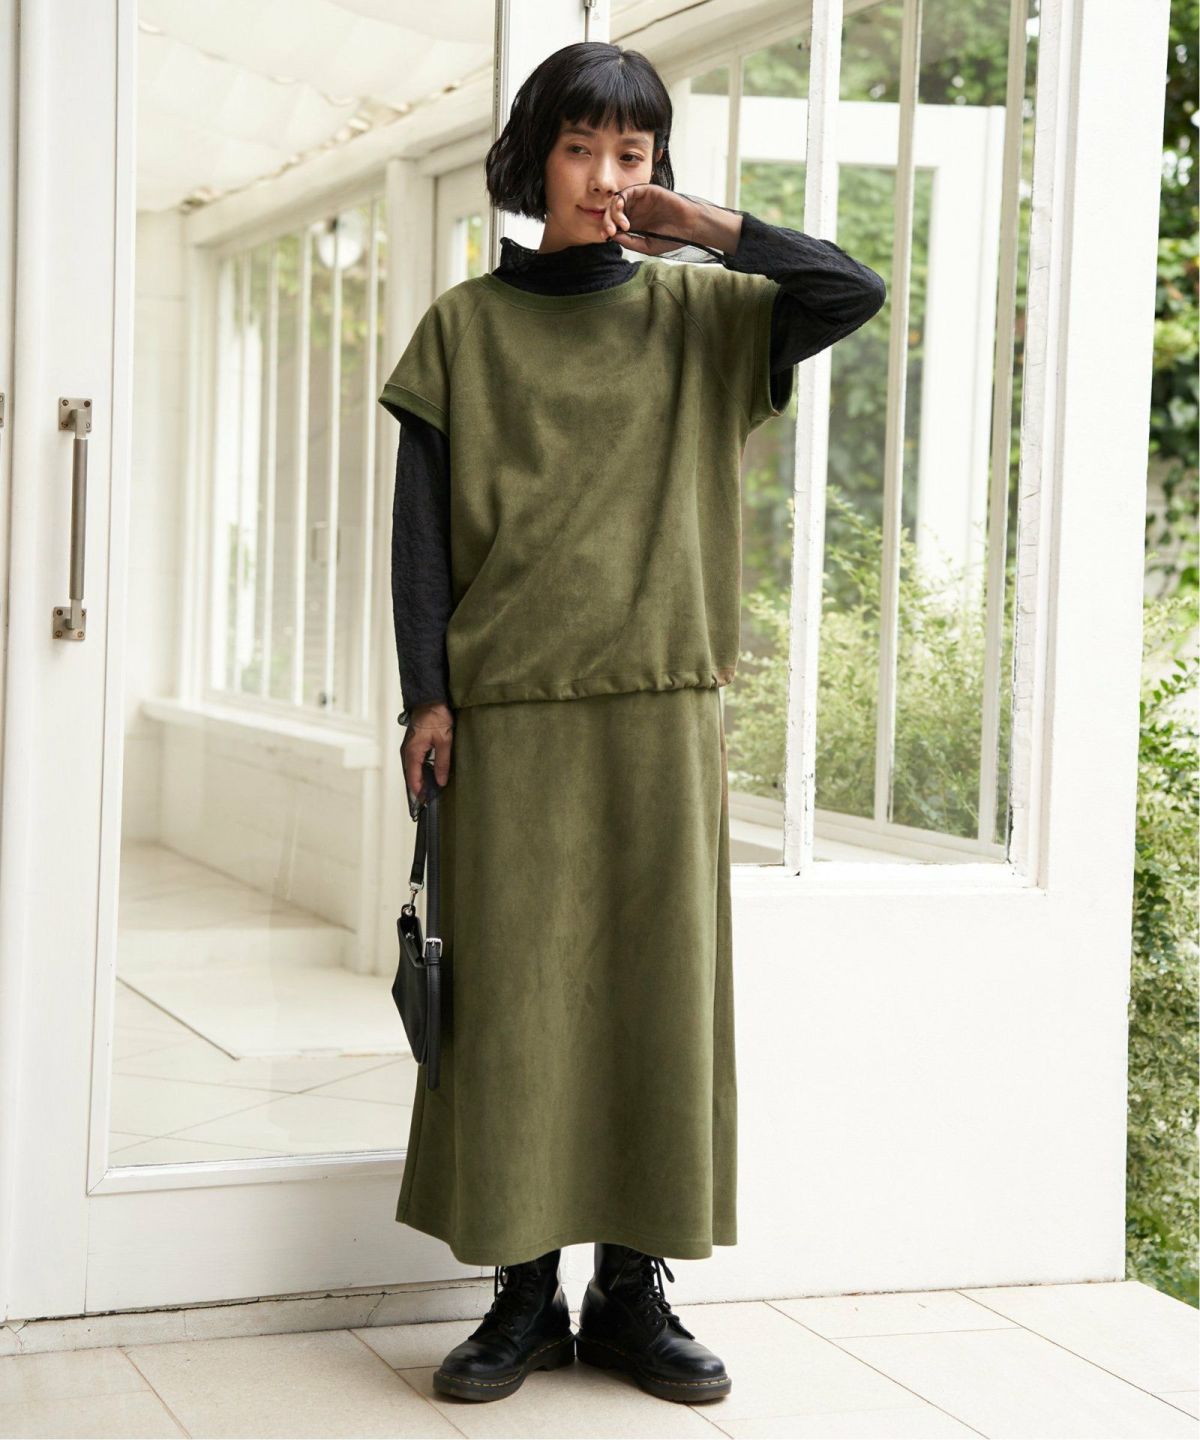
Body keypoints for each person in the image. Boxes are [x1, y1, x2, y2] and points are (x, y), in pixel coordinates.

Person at [377, 40, 885, 1407]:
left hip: (662, 712)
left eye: (633, 153)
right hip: (508, 718)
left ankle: (630, 1292)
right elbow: (419, 536)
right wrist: (425, 695)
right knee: (516, 1009)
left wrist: (704, 225)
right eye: (581, 148)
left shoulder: (704, 316)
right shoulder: (463, 330)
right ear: (532, 157)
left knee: (655, 1003)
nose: (606, 176)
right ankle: (523, 1294)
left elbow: (851, 288)